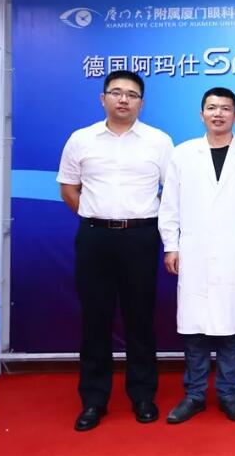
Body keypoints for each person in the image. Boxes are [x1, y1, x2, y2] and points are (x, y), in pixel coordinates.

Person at [57, 70, 173, 431]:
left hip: (140, 238)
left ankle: (143, 396)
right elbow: (69, 188)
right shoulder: (81, 139)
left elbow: (171, 192)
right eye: (116, 92)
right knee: (95, 319)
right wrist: (97, 218)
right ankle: (94, 400)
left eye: (132, 95)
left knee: (141, 319)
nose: (124, 100)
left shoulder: (159, 141)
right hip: (95, 238)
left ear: (142, 102)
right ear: (103, 98)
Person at [158, 87, 235, 424]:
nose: (218, 114)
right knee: (195, 333)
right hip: (194, 252)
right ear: (201, 114)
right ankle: (194, 395)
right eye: (212, 108)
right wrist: (171, 245)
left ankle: (229, 395)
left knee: (231, 332)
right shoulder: (183, 154)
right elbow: (169, 205)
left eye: (225, 108)